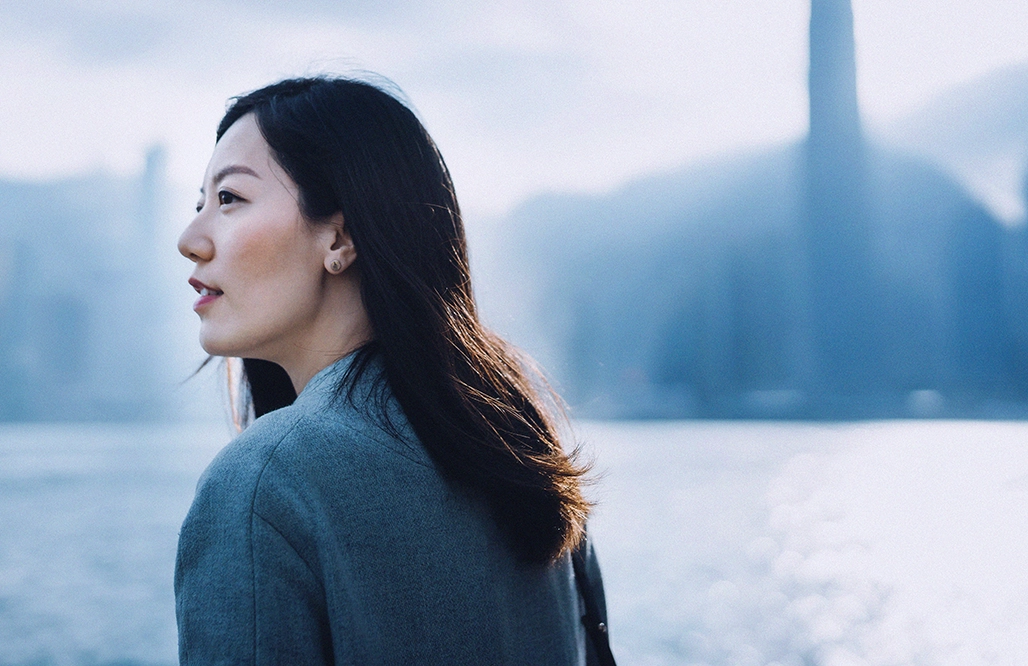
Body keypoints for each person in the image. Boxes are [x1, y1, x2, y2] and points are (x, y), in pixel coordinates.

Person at [175, 76, 612, 665]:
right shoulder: (520, 447)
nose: (190, 239)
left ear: (341, 235)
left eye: (229, 199)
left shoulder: (266, 482)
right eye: (199, 203)